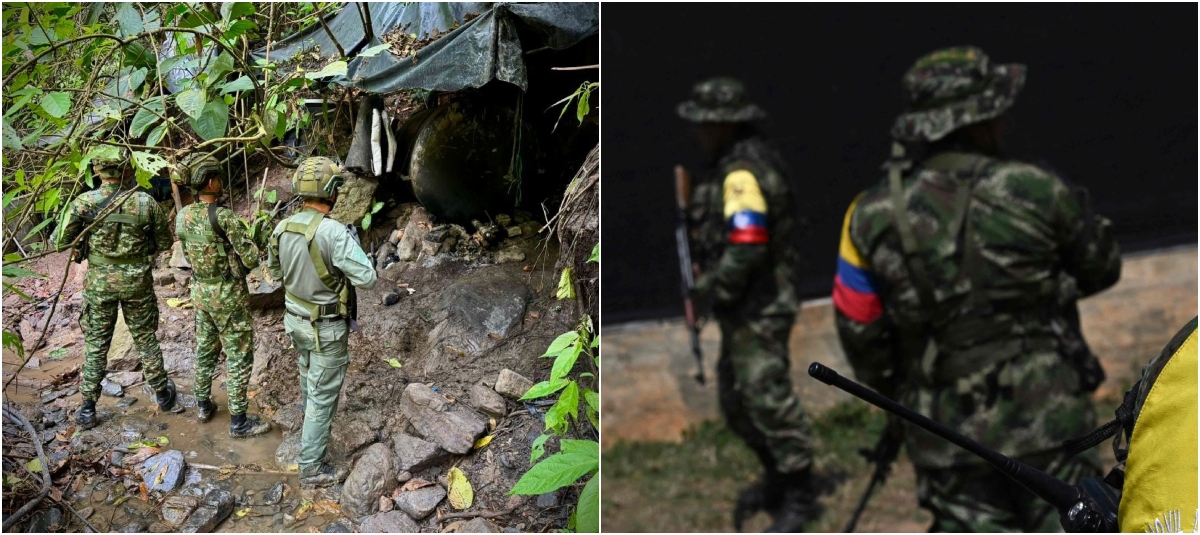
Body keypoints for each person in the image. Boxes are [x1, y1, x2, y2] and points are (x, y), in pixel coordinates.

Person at [833, 46, 1121, 531]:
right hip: (1048, 417)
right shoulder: (1037, 188)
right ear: (980, 120)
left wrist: (905, 391)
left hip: (946, 430)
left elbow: (860, 325)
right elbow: (1101, 266)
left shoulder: (869, 215)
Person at [676, 77, 818, 532]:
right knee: (736, 401)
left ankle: (800, 492)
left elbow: (748, 243)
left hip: (760, 305)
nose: (698, 133)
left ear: (724, 125)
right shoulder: (736, 167)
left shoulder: (740, 174)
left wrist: (713, 289)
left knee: (766, 397)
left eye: (705, 123)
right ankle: (779, 475)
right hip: (748, 305)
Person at [267, 157, 376, 487]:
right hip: (325, 327)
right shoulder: (333, 232)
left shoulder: (282, 227)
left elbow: (274, 273)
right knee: (322, 396)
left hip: (295, 320)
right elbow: (368, 278)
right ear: (332, 192)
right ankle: (312, 466)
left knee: (307, 373)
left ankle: (307, 429)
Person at [55, 152, 176, 429]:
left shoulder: (84, 202)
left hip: (100, 284)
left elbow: (62, 241)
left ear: (97, 171)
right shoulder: (145, 201)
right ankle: (162, 395)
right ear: (127, 171)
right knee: (145, 337)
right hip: (137, 282)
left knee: (97, 343)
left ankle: (87, 407)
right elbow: (165, 243)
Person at [171, 154, 270, 437]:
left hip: (201, 293)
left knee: (205, 349)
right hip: (228, 296)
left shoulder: (183, 216)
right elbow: (250, 258)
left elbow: (189, 255)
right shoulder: (224, 217)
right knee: (238, 355)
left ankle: (203, 405)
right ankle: (239, 421)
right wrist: (257, 240)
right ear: (212, 181)